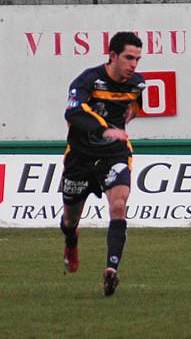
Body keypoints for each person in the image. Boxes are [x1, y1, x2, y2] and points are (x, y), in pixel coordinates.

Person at [60, 31, 145, 296]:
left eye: (137, 59)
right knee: (71, 218)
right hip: (80, 156)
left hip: (114, 154)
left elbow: (135, 106)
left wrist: (122, 126)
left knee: (118, 206)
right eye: (129, 58)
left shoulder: (137, 84)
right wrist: (106, 129)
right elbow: (73, 112)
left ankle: (111, 270)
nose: (134, 64)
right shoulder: (88, 80)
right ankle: (71, 239)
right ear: (112, 56)